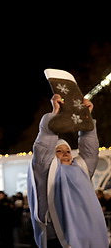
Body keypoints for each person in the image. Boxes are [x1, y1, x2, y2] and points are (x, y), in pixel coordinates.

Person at [27, 93, 108, 248]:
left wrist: (86, 120)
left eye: (68, 151)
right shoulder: (45, 171)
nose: (64, 153)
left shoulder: (81, 170)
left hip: (85, 236)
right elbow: (43, 147)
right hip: (55, 237)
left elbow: (90, 150)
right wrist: (54, 115)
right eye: (58, 151)